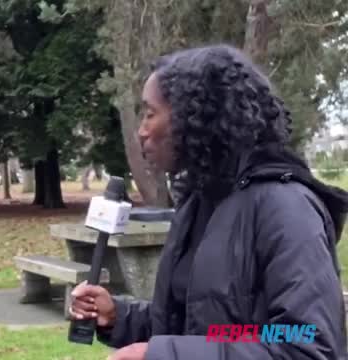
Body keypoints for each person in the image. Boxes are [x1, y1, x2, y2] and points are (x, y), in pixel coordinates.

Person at [70, 45, 348, 359]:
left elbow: (306, 344)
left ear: (197, 117)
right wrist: (120, 317)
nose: (142, 132)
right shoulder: (199, 204)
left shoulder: (286, 208)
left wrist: (162, 355)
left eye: (150, 114)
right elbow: (204, 329)